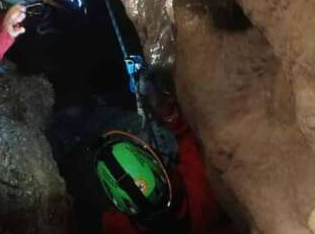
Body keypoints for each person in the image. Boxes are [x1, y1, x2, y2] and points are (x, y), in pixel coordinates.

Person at [96, 89, 237, 234]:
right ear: (157, 162)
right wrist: (170, 114)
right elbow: (190, 141)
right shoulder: (201, 194)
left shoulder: (117, 227)